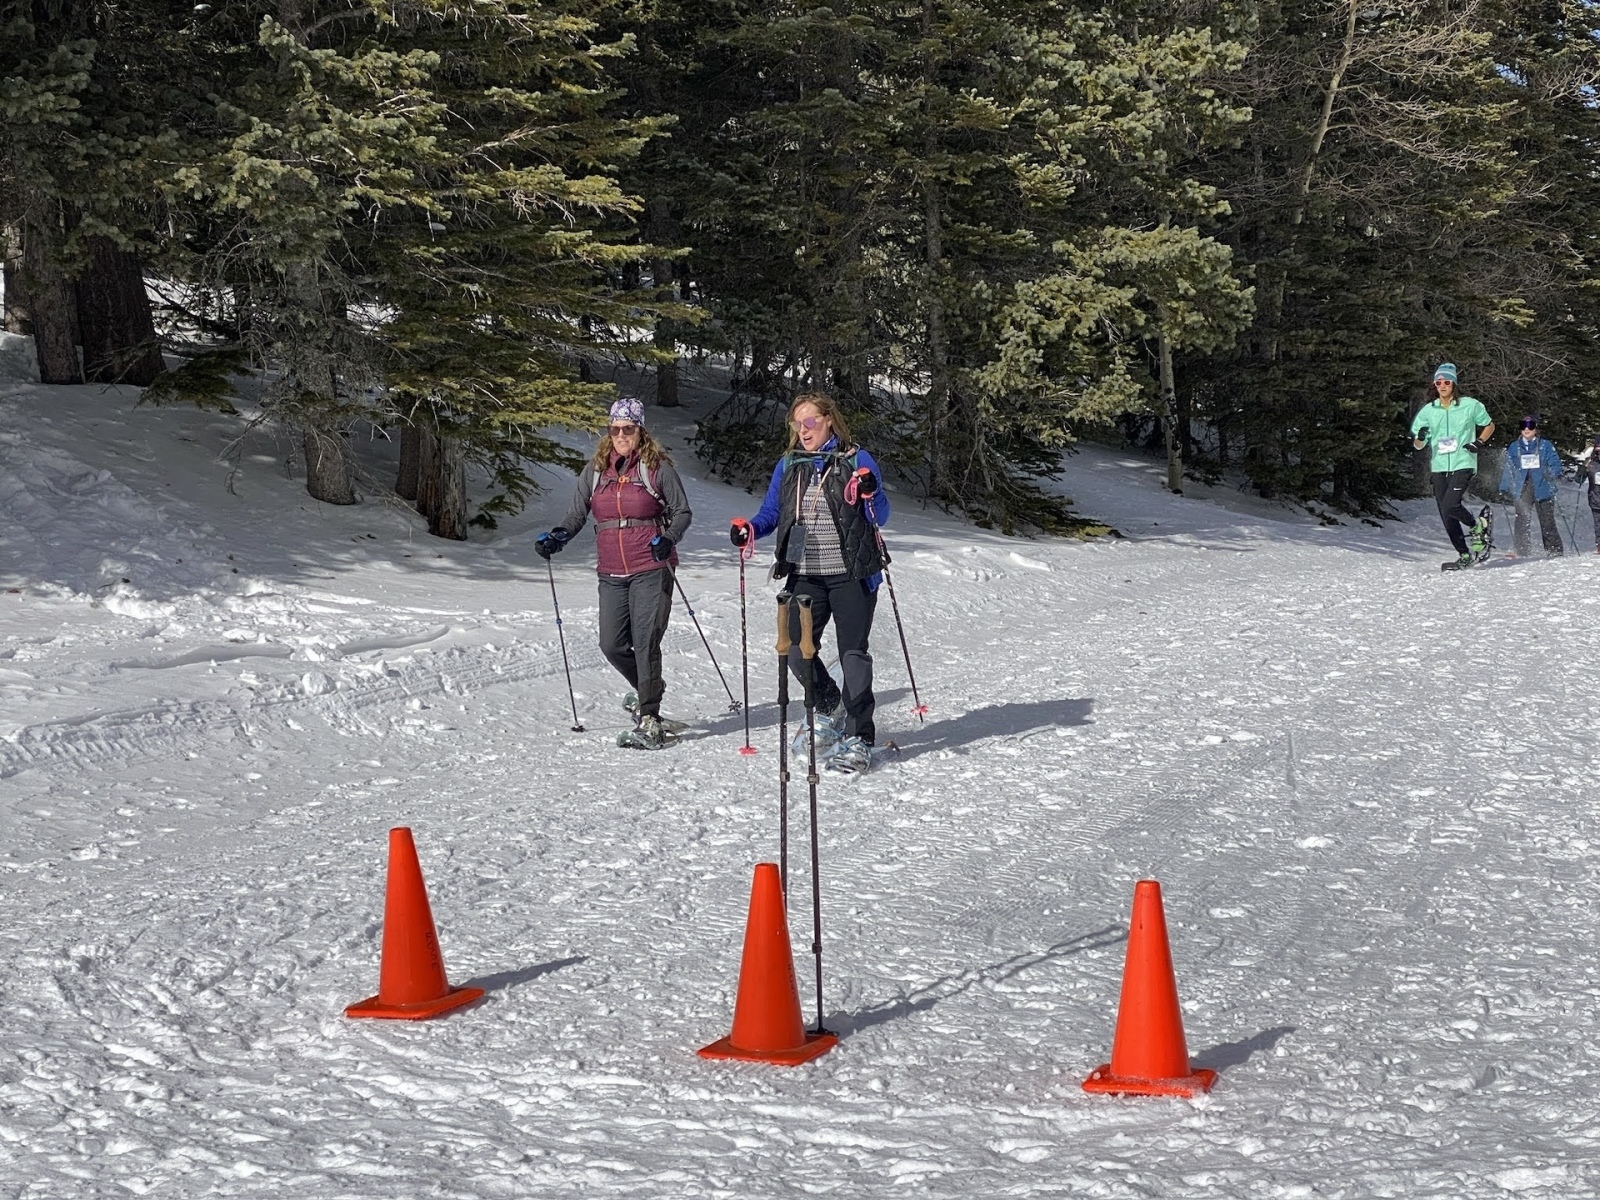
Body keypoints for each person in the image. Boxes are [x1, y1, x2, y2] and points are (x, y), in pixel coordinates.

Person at [729, 392, 890, 774]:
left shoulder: (856, 460)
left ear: (829, 420)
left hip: (851, 573)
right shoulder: (789, 464)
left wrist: (870, 490)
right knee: (794, 648)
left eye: (810, 422)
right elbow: (771, 513)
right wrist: (749, 529)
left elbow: (880, 514)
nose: (803, 430)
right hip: (805, 573)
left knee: (853, 654)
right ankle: (829, 703)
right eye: (796, 423)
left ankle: (860, 737)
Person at [536, 398, 692, 749]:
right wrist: (558, 537)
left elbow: (682, 512)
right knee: (612, 644)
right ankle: (650, 689)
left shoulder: (657, 468)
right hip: (611, 571)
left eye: (628, 428)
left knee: (646, 642)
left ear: (640, 430)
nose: (621, 435)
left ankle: (650, 718)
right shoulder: (596, 470)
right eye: (615, 429)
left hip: (651, 566)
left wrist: (668, 539)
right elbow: (576, 515)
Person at [1410, 363, 1495, 568]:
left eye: (1447, 382)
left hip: (1463, 461)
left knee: (1450, 504)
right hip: (1439, 466)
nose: (1442, 386)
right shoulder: (1429, 411)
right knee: (1445, 512)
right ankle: (1464, 554)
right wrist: (1420, 437)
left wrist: (1479, 442)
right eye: (1438, 382)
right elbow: (1418, 445)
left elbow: (1489, 425)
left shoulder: (1469, 405)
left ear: (1454, 384)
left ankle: (1476, 527)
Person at [1497, 415, 1564, 558]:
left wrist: (1552, 472)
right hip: (1523, 486)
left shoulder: (1545, 445)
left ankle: (1554, 550)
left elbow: (1555, 463)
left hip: (1543, 485)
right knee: (1522, 518)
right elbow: (1508, 467)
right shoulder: (1515, 446)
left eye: (1530, 426)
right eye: (1523, 426)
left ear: (1536, 428)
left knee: (1547, 520)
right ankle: (1522, 550)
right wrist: (1504, 487)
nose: (1526, 429)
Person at [1581, 434, 1600, 554]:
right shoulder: (1591, 463)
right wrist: (1582, 469)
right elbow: (1578, 479)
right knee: (1598, 525)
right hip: (1596, 499)